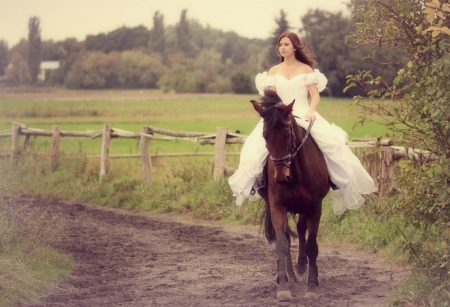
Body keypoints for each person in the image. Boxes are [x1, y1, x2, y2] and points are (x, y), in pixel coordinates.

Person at [228, 32, 375, 215]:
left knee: (330, 145)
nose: (282, 47)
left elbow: (315, 95)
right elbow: (273, 100)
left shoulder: (306, 70)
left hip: (304, 113)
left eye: (286, 44)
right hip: (281, 116)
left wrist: (311, 111)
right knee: (256, 148)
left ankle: (336, 180)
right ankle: (257, 183)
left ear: (295, 47)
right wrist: (276, 115)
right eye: (280, 44)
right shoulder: (273, 71)